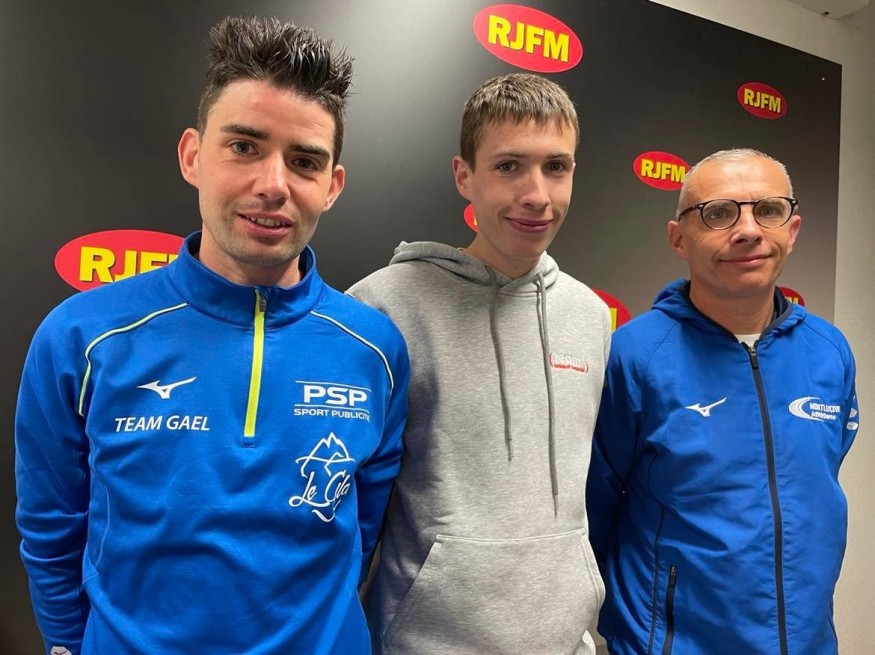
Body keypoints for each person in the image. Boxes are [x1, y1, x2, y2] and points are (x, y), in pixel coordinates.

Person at [15, 16, 408, 655]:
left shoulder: (375, 348)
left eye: (304, 161)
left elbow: (362, 527)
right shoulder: (82, 336)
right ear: (193, 156)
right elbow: (50, 524)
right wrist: (66, 644)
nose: (273, 185)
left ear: (332, 185)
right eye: (244, 147)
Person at [349, 72, 611, 655]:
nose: (537, 194)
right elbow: (345, 507)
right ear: (464, 175)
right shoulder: (383, 305)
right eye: (509, 166)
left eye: (556, 167)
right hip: (424, 642)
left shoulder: (591, 315)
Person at [587, 148, 859, 654]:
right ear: (679, 238)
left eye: (769, 210)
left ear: (792, 230)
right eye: (718, 213)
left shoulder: (829, 350)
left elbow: (819, 477)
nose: (749, 230)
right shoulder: (634, 355)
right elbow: (593, 511)